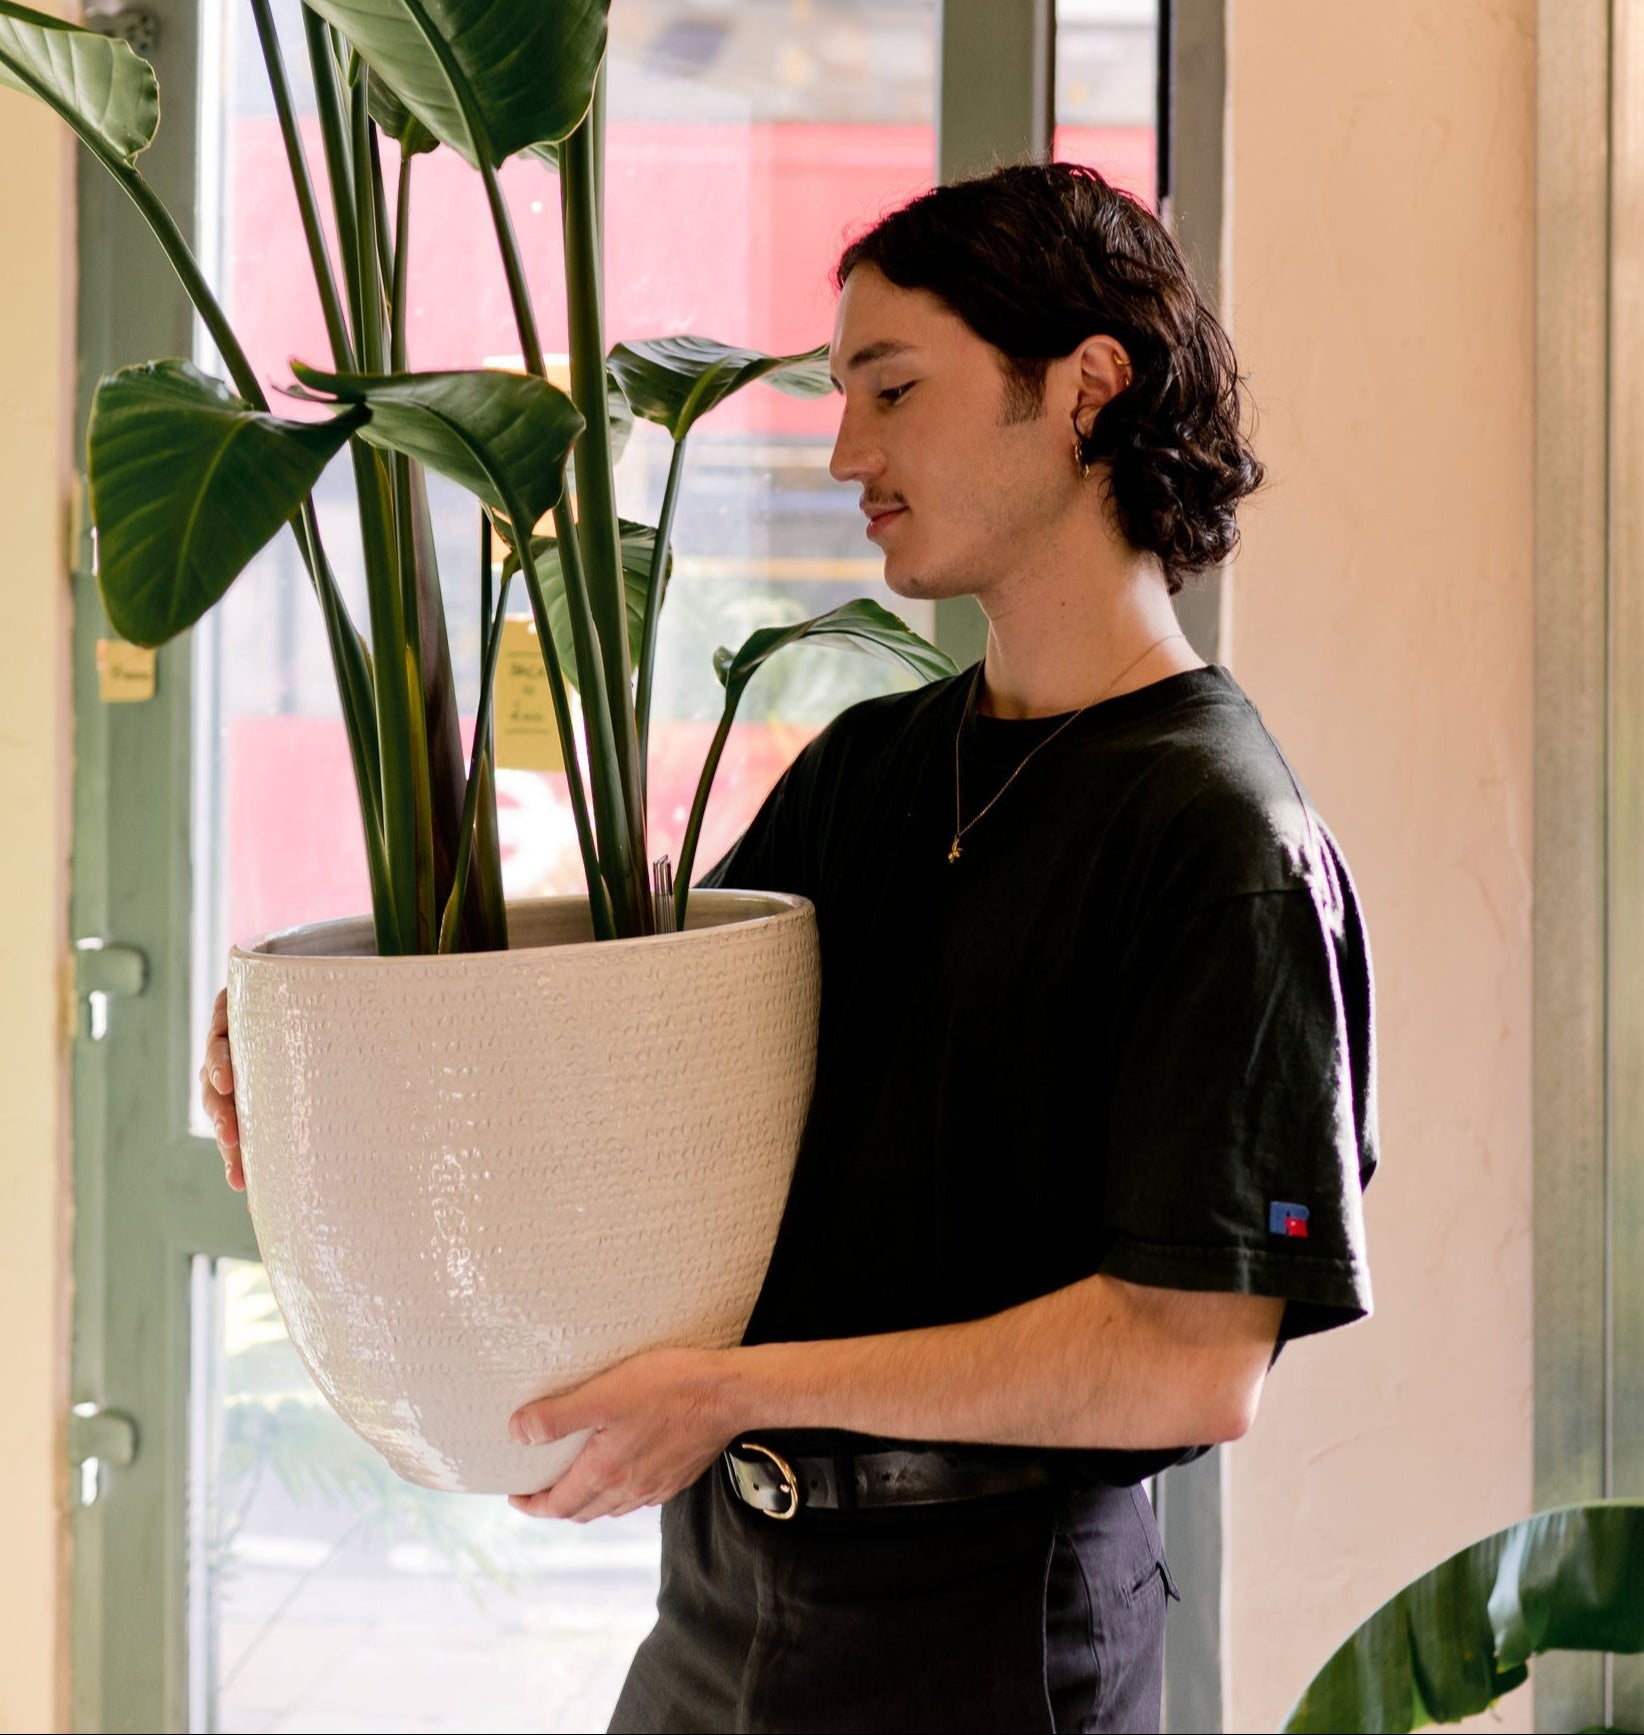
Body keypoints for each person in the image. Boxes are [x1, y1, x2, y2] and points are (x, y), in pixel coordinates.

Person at [202, 164, 1376, 1734]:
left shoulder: (1221, 838)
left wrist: (733, 1394)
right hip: (725, 1613)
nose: (845, 454)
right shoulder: (870, 772)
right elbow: (643, 1079)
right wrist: (336, 1080)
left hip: (989, 1647)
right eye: (841, 397)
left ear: (1090, 386)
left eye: (892, 390)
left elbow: (1183, 1361)